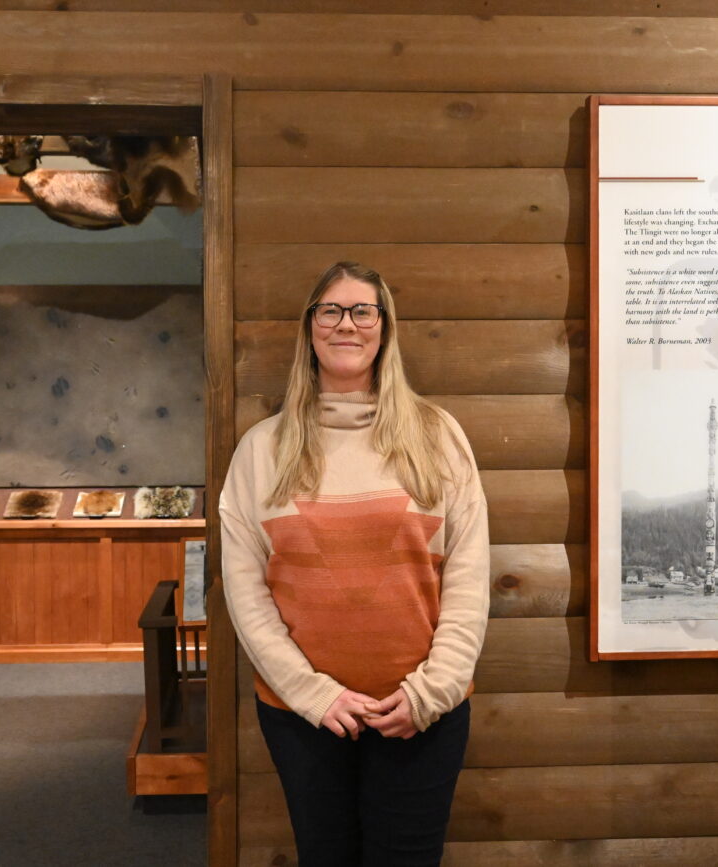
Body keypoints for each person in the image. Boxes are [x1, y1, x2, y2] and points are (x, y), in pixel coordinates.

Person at [219, 261, 490, 866]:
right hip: (305, 720)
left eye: (363, 310)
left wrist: (432, 691)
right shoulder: (263, 449)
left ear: (385, 328)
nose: (347, 324)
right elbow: (246, 593)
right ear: (310, 327)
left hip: (422, 717)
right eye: (331, 310)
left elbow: (469, 578)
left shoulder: (436, 437)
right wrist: (315, 696)